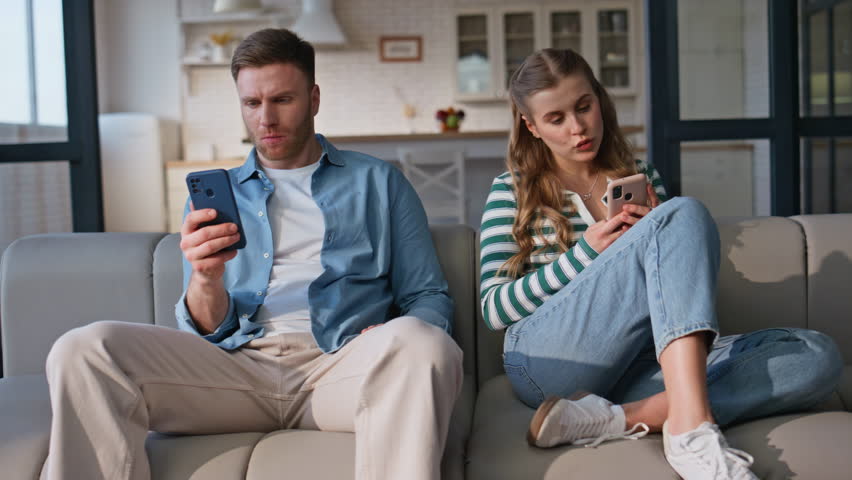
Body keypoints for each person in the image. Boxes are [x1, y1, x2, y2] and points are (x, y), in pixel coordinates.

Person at [44, 28, 463, 480]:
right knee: (83, 349)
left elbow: (428, 295)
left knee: (426, 344)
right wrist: (205, 278)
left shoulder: (378, 182)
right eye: (252, 103)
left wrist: (390, 336)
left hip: (339, 368)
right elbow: (208, 329)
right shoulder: (215, 196)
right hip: (234, 372)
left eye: (282, 100)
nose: (266, 118)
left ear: (314, 98)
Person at [478, 48, 842, 480]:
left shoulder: (639, 175)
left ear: (599, 99)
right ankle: (691, 429)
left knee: (817, 355)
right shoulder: (512, 190)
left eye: (583, 106)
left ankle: (615, 418)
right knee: (684, 212)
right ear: (531, 125)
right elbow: (494, 309)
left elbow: (673, 296)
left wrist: (654, 237)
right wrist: (587, 254)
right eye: (556, 119)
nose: (578, 128)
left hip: (640, 362)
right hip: (546, 362)